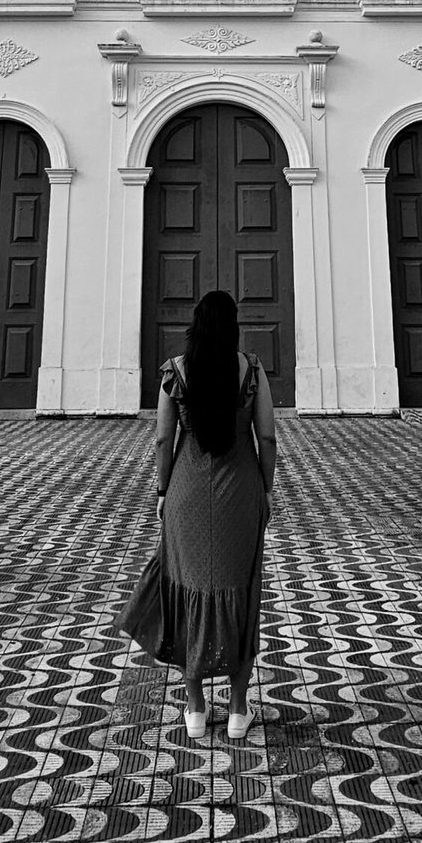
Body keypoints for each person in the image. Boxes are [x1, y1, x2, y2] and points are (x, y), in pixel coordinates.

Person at [120, 290, 277, 740]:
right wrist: (265, 488)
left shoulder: (175, 371)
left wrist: (163, 491)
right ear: (233, 328)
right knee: (240, 593)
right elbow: (266, 438)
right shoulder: (251, 370)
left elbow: (160, 442)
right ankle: (238, 710)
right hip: (240, 494)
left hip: (186, 493)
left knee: (185, 589)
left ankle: (194, 707)